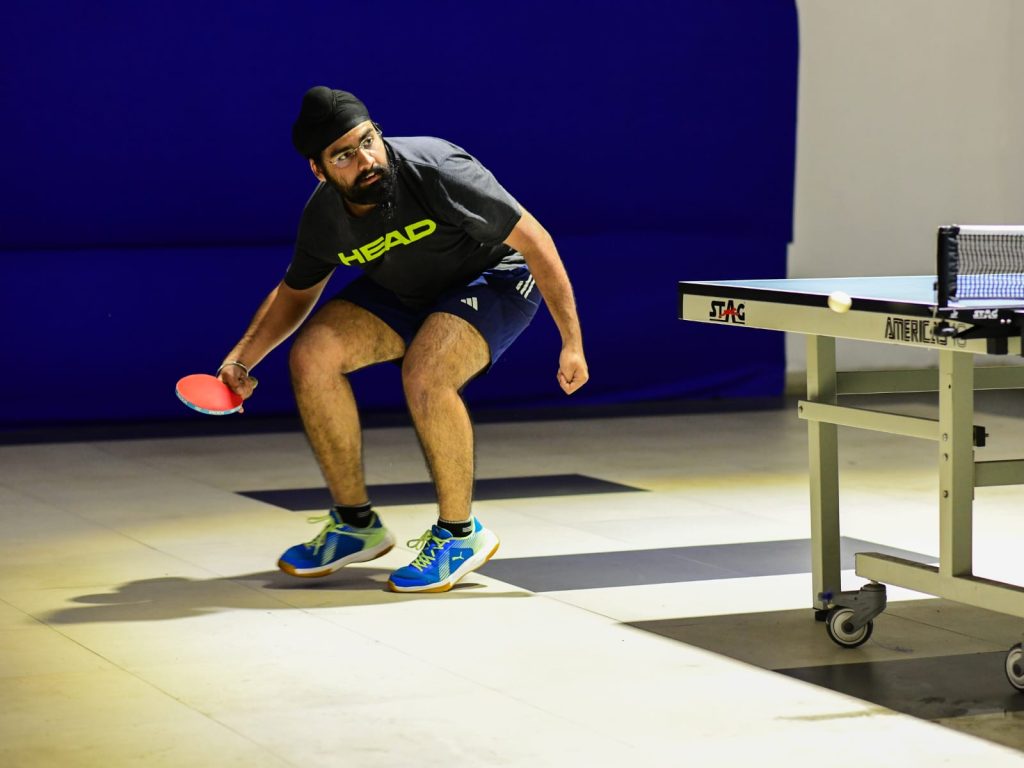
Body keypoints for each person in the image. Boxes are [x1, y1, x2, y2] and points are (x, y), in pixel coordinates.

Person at [217, 86, 588, 593]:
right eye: (343, 155)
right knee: (312, 355)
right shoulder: (324, 218)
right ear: (319, 170)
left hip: (493, 278)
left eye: (367, 141)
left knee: (427, 374)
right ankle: (355, 524)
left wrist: (571, 341)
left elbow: (534, 240)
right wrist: (242, 361)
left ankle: (460, 534)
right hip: (407, 290)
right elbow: (294, 294)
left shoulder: (437, 169)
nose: (365, 160)